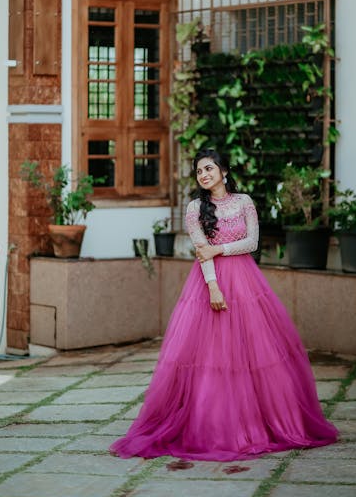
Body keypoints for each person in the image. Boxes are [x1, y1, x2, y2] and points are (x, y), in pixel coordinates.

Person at [109, 148, 338, 461]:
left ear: (223, 171)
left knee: (255, 352)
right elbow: (202, 252)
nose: (204, 175)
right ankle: (215, 425)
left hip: (246, 281)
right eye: (199, 171)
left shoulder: (244, 202)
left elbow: (252, 243)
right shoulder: (194, 208)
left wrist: (219, 250)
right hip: (210, 283)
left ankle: (260, 421)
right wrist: (214, 288)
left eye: (209, 168)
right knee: (212, 355)